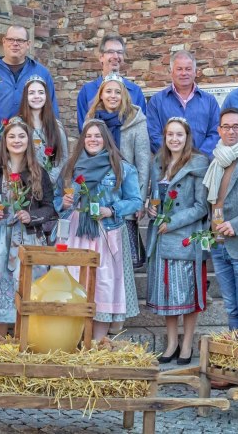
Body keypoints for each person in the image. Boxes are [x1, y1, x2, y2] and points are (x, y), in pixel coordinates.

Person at [54, 119, 142, 340]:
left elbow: (135, 201)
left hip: (106, 232)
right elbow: (57, 198)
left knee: (103, 283)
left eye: (98, 136)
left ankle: (97, 342)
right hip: (76, 231)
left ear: (106, 139)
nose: (93, 140)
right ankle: (73, 340)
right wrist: (63, 203)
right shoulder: (70, 168)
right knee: (74, 281)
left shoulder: (122, 168)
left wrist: (111, 209)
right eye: (89, 136)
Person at [0, 116, 56, 335]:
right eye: (11, 136)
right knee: (0, 290)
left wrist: (32, 216)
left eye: (21, 136)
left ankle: (26, 338)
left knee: (27, 288)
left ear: (28, 140)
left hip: (27, 238)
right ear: (4, 141)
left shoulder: (38, 173)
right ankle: (0, 339)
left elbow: (50, 209)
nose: (16, 140)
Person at [146, 118, 209, 365]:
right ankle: (171, 342)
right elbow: (155, 198)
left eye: (179, 135)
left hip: (184, 237)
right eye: (170, 134)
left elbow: (201, 206)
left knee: (187, 294)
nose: (174, 139)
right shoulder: (158, 162)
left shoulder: (198, 162)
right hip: (161, 238)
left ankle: (187, 343)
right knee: (166, 294)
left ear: (187, 137)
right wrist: (152, 211)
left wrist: (171, 222)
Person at [87, 72, 150, 269]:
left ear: (124, 96)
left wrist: (140, 198)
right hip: (99, 194)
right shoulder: (91, 122)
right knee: (99, 260)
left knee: (125, 261)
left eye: (117, 92)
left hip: (124, 193)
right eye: (108, 91)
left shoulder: (136, 122)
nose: (113, 96)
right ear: (101, 94)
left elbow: (143, 162)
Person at [203, 107, 238, 329]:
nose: (231, 131)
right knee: (231, 308)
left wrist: (236, 224)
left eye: (236, 127)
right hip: (218, 242)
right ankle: (236, 356)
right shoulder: (216, 159)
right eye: (226, 127)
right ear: (219, 130)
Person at [0, 26, 59, 127]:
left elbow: (51, 108)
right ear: (4, 41)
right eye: (10, 39)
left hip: (32, 139)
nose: (15, 44)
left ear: (28, 44)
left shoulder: (42, 73)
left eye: (20, 40)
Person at [146, 50, 220, 157]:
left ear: (195, 72)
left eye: (188, 69)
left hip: (203, 167)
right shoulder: (156, 102)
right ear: (171, 72)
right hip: (168, 166)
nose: (184, 73)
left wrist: (198, 158)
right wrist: (175, 157)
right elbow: (153, 135)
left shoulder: (210, 101)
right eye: (179, 69)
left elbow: (215, 133)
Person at [76, 34, 146, 130]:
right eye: (111, 52)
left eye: (119, 52)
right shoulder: (87, 91)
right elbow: (83, 130)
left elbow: (141, 128)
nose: (116, 56)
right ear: (101, 56)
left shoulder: (135, 92)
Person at [17, 75, 68, 185]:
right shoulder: (17, 124)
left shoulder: (56, 125)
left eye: (40, 92)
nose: (36, 96)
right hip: (24, 183)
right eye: (31, 93)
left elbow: (63, 156)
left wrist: (50, 179)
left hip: (51, 185)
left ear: (46, 96)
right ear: (25, 96)